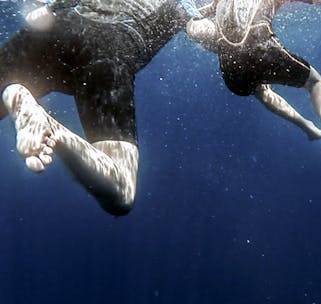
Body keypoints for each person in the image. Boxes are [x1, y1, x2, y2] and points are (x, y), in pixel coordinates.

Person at [0, 0, 198, 216]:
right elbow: (202, 31)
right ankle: (50, 127)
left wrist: (50, 7)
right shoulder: (183, 5)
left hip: (55, 27)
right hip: (107, 48)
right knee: (121, 190)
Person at [185, 0, 321, 179]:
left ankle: (307, 127)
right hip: (262, 47)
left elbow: (199, 13)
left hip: (231, 68)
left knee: (262, 93)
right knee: (314, 83)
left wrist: (188, 20)